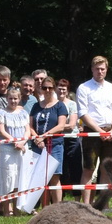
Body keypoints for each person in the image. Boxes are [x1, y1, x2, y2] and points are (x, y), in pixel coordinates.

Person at [76, 56, 112, 209]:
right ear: (92, 69)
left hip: (110, 131)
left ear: (106, 70)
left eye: (103, 69)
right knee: (89, 168)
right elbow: (83, 113)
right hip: (92, 132)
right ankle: (86, 206)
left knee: (107, 169)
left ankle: (103, 204)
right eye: (97, 69)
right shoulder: (84, 88)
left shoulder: (111, 88)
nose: (100, 72)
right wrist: (99, 131)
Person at [27, 73, 69, 206]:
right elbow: (30, 125)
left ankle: (57, 208)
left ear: (54, 88)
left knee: (55, 176)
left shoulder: (60, 106)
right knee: (40, 178)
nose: (47, 91)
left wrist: (44, 136)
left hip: (54, 145)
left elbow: (61, 125)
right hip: (37, 145)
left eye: (50, 88)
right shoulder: (36, 106)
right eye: (44, 88)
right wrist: (36, 138)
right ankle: (44, 208)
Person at [0, 84, 32, 215]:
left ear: (19, 98)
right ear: (7, 98)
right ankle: (6, 210)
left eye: (15, 99)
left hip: (22, 149)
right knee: (8, 180)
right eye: (10, 98)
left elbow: (27, 131)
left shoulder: (23, 113)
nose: (13, 101)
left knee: (19, 180)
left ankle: (17, 210)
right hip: (8, 149)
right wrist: (15, 141)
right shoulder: (1, 113)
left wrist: (22, 142)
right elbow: (2, 130)